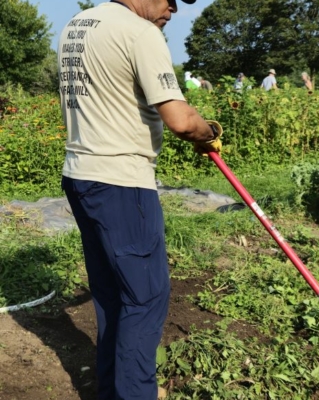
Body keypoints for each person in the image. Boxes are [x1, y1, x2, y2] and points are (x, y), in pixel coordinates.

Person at [57, 0, 222, 399]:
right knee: (145, 297)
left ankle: (113, 390)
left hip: (80, 175)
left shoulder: (77, 26)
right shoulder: (140, 32)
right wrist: (208, 130)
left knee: (112, 293)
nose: (173, 9)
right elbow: (181, 120)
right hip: (122, 182)